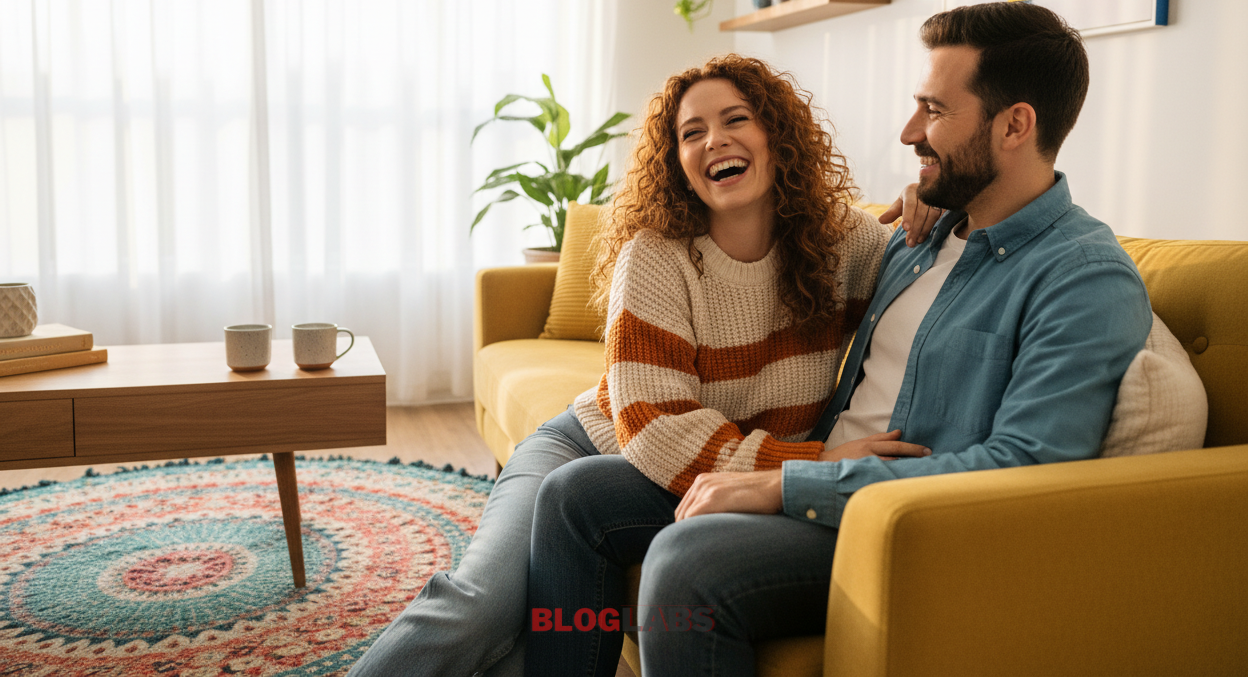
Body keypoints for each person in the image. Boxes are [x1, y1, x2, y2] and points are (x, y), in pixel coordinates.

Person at [524, 1, 1153, 677]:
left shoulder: (1082, 276)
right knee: (573, 496)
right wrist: (792, 471)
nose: (910, 132)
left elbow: (1026, 467)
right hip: (816, 476)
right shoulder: (920, 239)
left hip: (896, 516)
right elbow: (808, 251)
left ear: (1014, 125)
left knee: (688, 568)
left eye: (934, 111)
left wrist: (789, 483)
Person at [346, 55, 935, 677]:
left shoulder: (842, 242)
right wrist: (811, 465)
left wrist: (930, 202)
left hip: (703, 476)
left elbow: (929, 265)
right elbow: (658, 432)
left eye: (736, 119)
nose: (715, 140)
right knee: (480, 604)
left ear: (777, 136)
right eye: (692, 132)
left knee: (532, 644)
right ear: (677, 162)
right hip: (588, 444)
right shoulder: (655, 254)